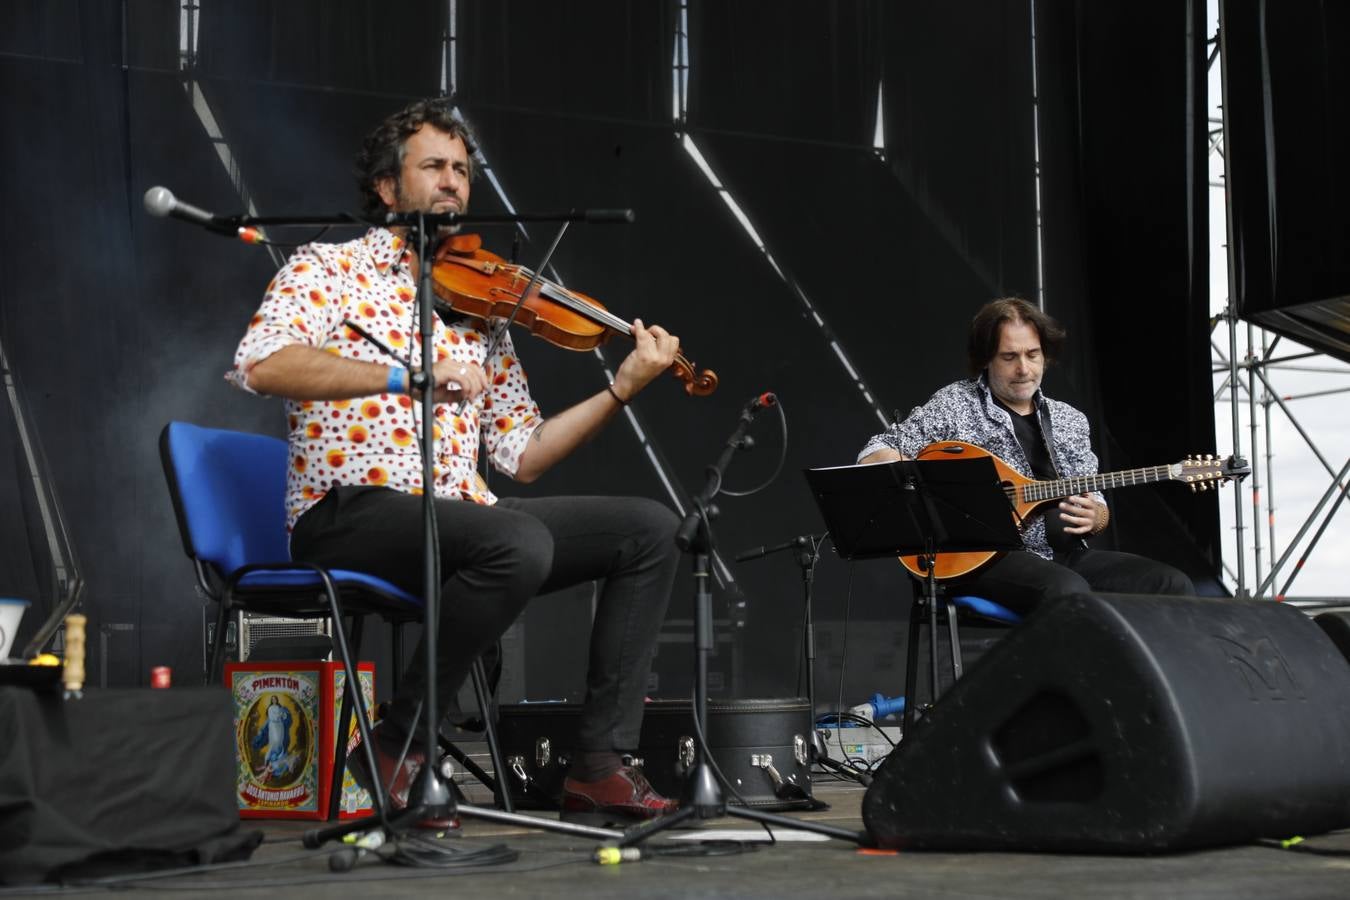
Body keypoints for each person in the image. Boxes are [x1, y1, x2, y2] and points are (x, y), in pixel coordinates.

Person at [228, 99, 681, 828]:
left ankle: (599, 766)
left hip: (467, 521)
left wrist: (619, 390)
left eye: (462, 171)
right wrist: (407, 376)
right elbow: (263, 363)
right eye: (433, 166)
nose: (453, 184)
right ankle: (394, 744)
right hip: (349, 513)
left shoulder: (478, 306)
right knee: (515, 542)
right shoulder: (329, 270)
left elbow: (522, 454)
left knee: (651, 530)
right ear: (386, 187)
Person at [857, 297, 1192, 615]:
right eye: (1009, 356)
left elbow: (1094, 495)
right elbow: (876, 449)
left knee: (1170, 583)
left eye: (1033, 355)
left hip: (1060, 556)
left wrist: (1097, 516)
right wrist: (915, 478)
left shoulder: (1069, 420)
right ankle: (1066, 677)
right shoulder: (954, 405)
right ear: (986, 358)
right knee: (1067, 590)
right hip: (982, 559)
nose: (1023, 368)